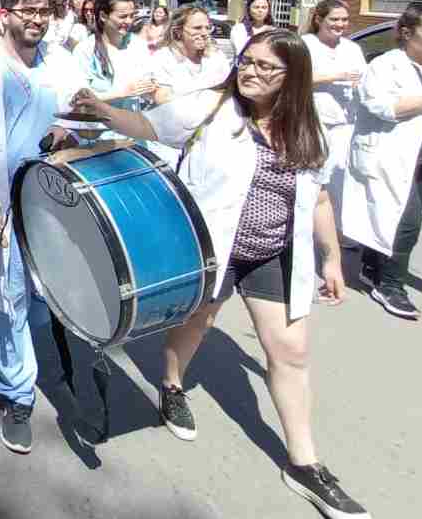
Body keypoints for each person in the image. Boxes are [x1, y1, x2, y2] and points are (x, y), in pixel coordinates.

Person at [74, 29, 371, 519]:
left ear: (291, 77)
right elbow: (148, 125)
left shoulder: (308, 129)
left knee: (291, 352)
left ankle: (304, 463)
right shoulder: (211, 108)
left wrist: (332, 258)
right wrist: (105, 112)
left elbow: (318, 197)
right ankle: (171, 385)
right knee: (197, 324)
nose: (250, 73)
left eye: (264, 67)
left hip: (276, 254)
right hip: (216, 247)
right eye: (246, 62)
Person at [0, 0, 80, 454]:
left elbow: (76, 107)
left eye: (43, 10)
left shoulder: (59, 61)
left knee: (38, 291)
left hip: (50, 197)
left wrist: (66, 129)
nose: (37, 18)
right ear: (4, 13)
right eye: (26, 10)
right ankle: (17, 395)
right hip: (3, 200)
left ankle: (22, 352)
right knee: (6, 297)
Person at [344, 2, 422, 320]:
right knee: (407, 222)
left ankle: (371, 263)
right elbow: (385, 108)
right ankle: (389, 285)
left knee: (398, 218)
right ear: (407, 33)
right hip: (389, 155)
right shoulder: (384, 65)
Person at [301, 0, 365, 302]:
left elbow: (364, 79)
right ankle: (304, 238)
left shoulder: (352, 48)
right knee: (315, 187)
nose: (340, 25)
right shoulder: (305, 45)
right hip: (314, 124)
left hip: (346, 124)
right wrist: (333, 77)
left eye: (344, 20)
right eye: (335, 19)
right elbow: (294, 78)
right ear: (319, 19)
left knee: (342, 183)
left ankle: (336, 236)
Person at [73, 0, 158, 124]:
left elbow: (149, 84)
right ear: (103, 16)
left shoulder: (138, 45)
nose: (129, 21)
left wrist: (150, 88)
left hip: (133, 131)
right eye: (123, 16)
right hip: (99, 133)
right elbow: (79, 98)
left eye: (132, 16)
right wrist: (122, 92)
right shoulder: (85, 49)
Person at [152, 5, 231, 97]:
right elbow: (162, 97)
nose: (205, 33)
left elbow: (227, 90)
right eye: (197, 28)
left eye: (208, 28)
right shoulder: (163, 58)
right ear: (178, 31)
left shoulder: (216, 56)